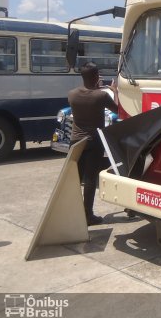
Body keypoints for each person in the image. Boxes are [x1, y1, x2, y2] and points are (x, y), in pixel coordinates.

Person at [68, 62, 118, 225]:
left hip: (75, 141)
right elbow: (119, 110)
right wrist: (114, 91)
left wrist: (94, 86)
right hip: (94, 141)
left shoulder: (72, 94)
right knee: (90, 180)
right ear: (97, 77)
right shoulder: (101, 96)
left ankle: (72, 213)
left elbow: (86, 98)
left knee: (75, 179)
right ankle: (88, 215)